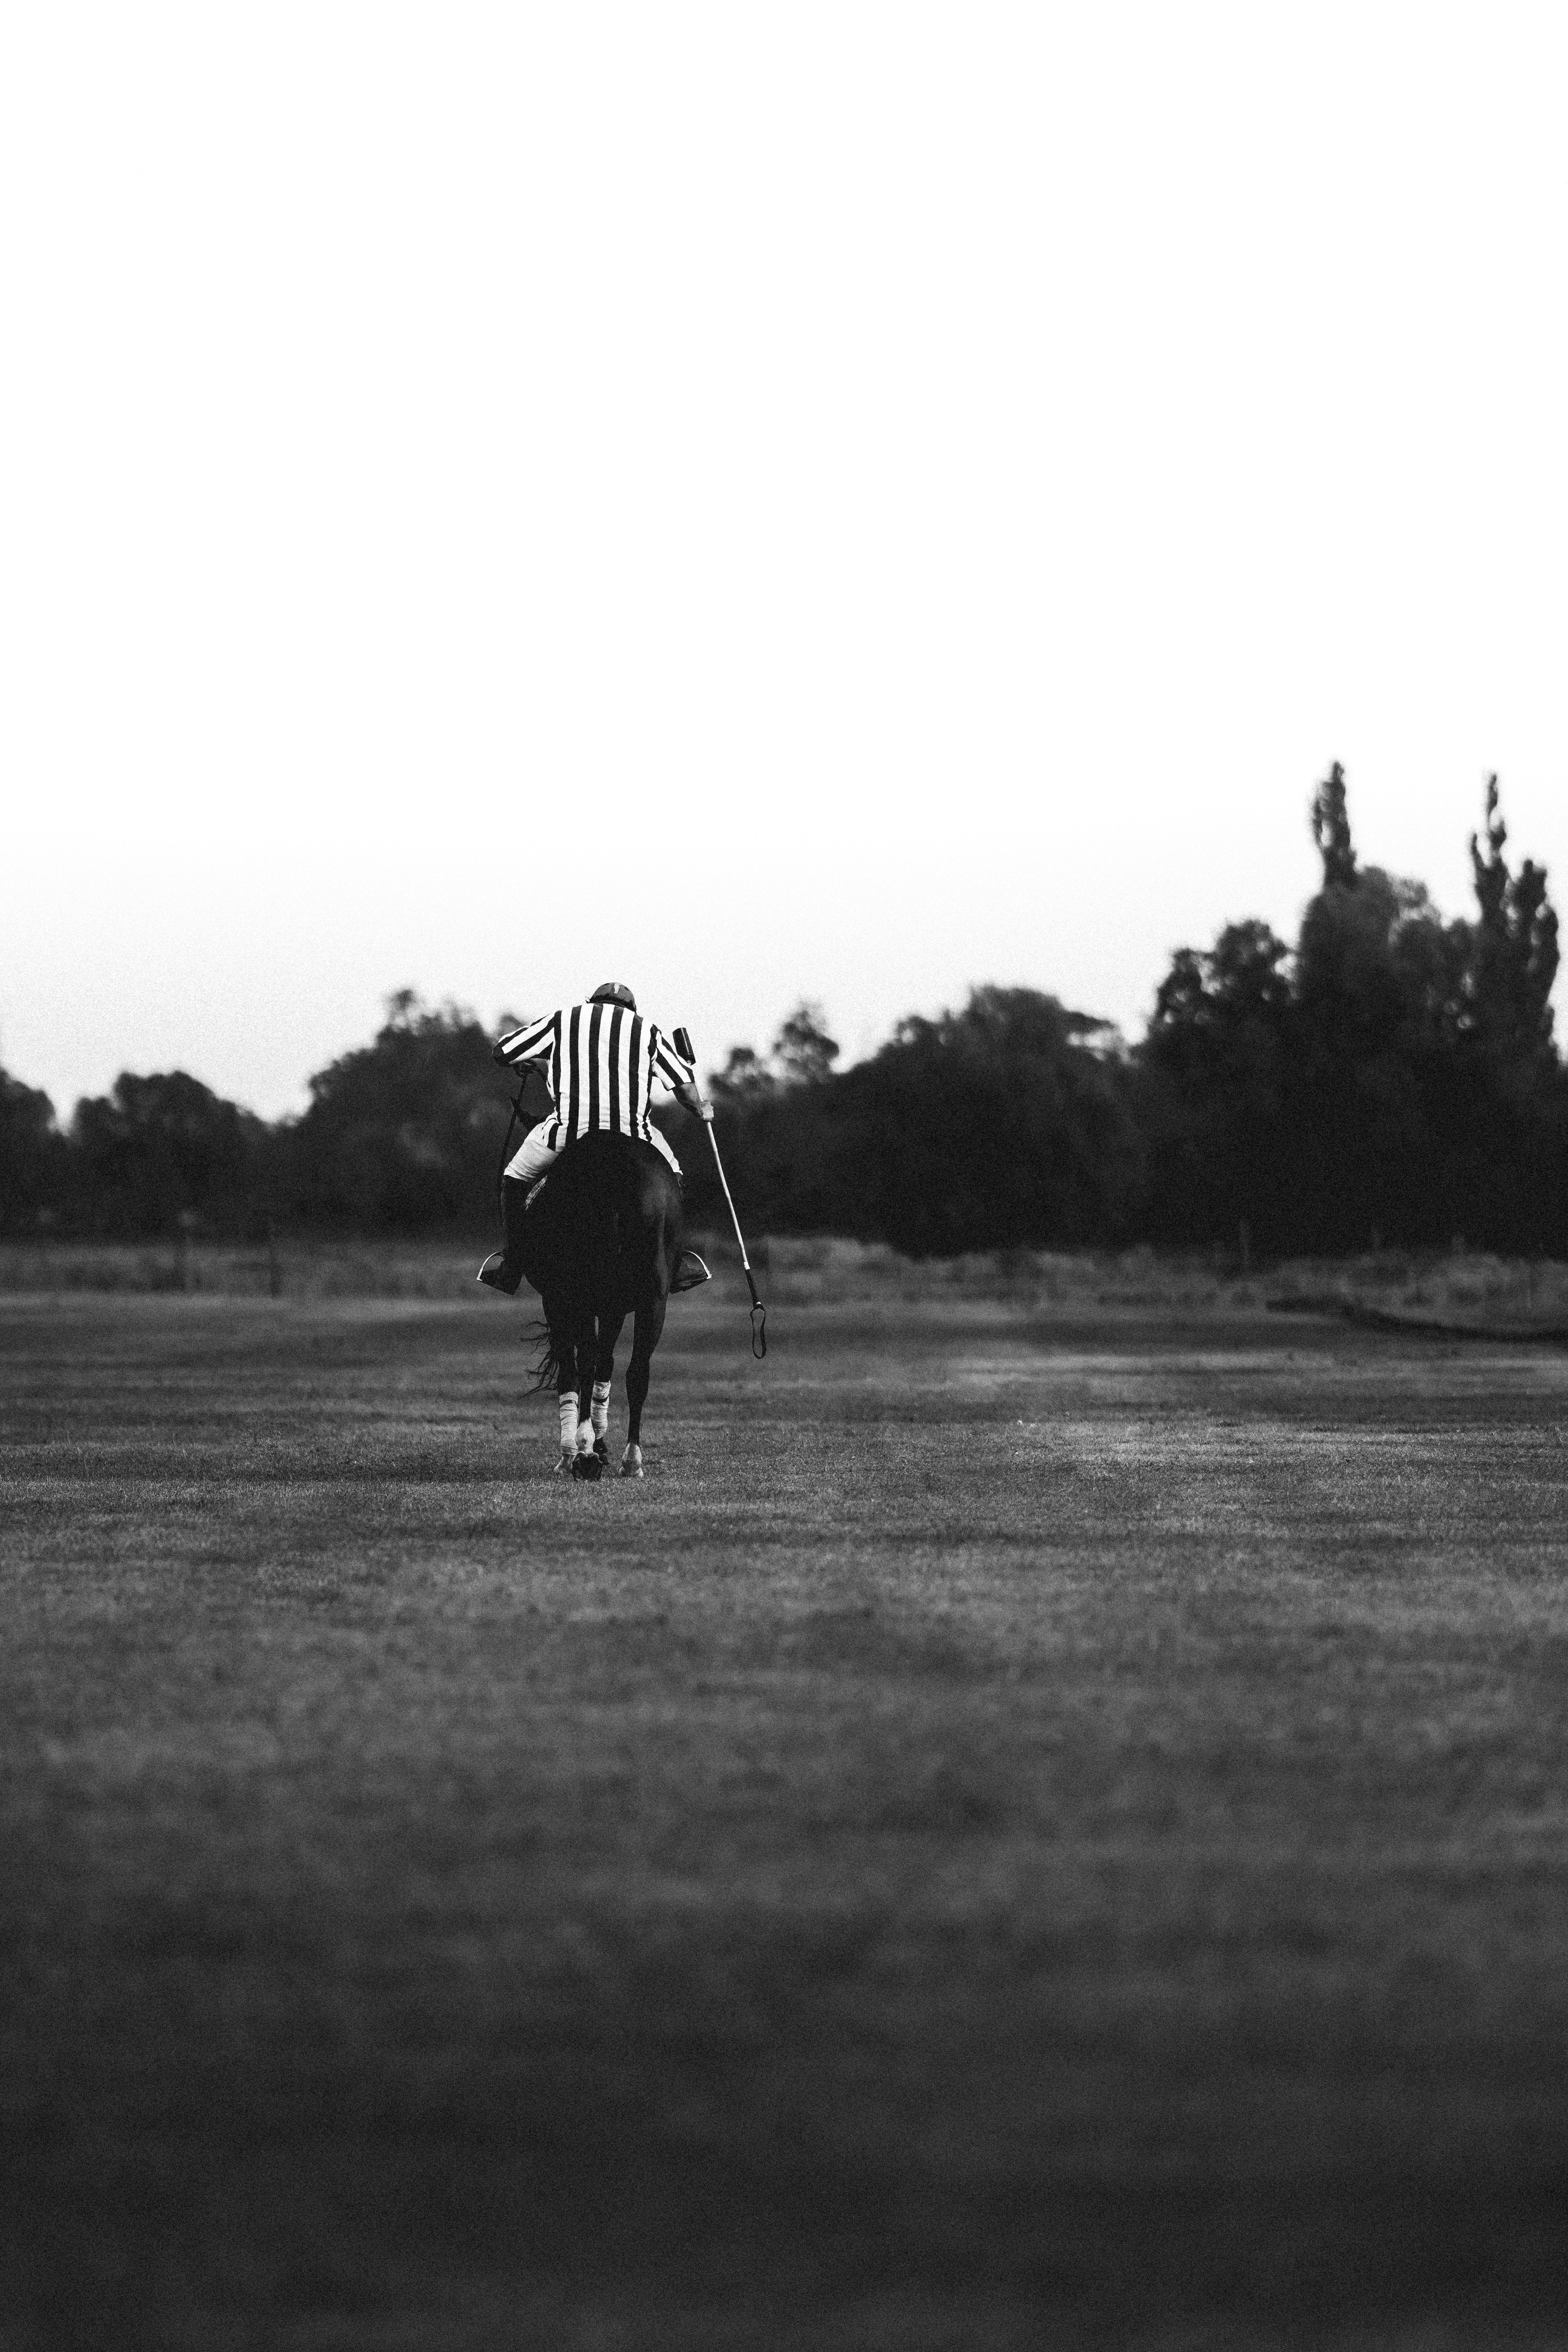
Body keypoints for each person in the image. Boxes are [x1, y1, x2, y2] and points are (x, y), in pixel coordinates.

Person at [477, 981, 713, 1295]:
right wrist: (701, 1109)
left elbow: (503, 1051)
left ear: (591, 1003)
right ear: (631, 1011)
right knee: (673, 1177)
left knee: (514, 1177)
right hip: (635, 1134)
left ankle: (512, 1264)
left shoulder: (563, 1019)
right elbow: (683, 1088)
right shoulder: (649, 1031)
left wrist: (529, 1061)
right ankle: (676, 1263)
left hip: (569, 1132)